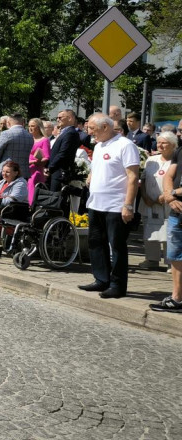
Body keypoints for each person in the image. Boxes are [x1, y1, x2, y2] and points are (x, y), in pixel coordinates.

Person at [80, 113, 140, 300]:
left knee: (117, 246)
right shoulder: (99, 146)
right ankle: (101, 279)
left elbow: (133, 177)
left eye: (92, 129)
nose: (90, 133)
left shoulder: (125, 145)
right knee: (96, 242)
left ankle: (117, 285)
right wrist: (91, 177)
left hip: (116, 205)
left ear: (105, 127)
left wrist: (128, 205)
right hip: (96, 203)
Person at [140, 132, 177, 270]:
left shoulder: (176, 161)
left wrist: (164, 196)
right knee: (149, 230)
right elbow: (143, 180)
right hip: (148, 202)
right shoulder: (151, 160)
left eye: (164, 143)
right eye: (159, 142)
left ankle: (170, 263)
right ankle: (151, 259)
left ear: (173, 145)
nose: (160, 145)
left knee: (169, 232)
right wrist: (145, 197)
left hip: (168, 203)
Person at [154, 139, 182, 312]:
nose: (179, 133)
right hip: (176, 211)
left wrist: (171, 193)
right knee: (175, 255)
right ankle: (177, 298)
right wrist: (170, 196)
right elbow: (168, 176)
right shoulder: (180, 151)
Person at [48, 109, 82, 193]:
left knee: (56, 199)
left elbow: (63, 153)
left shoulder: (71, 133)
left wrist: (50, 168)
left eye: (60, 117)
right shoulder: (65, 132)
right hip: (56, 171)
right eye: (57, 117)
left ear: (70, 118)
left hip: (60, 171)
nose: (57, 119)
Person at [26, 117, 51, 204]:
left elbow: (46, 157)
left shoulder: (44, 140)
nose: (30, 128)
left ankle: (31, 207)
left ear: (39, 127)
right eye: (29, 126)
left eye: (33, 126)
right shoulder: (28, 138)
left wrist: (34, 161)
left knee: (32, 190)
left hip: (36, 170)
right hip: (26, 168)